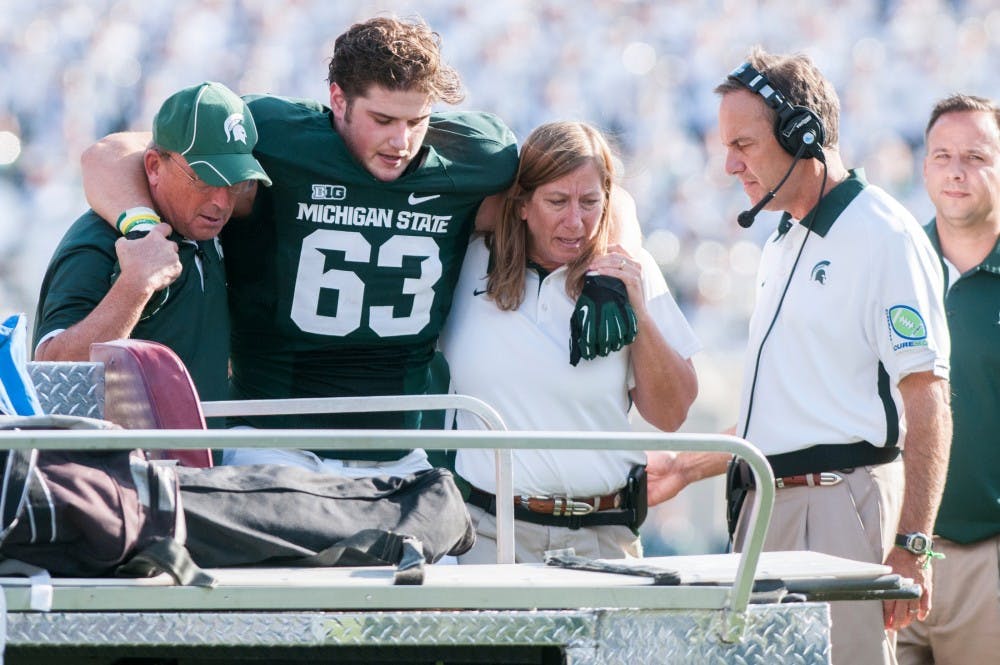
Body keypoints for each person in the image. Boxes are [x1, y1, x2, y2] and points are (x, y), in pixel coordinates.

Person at [645, 48, 952, 665]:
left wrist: (913, 543)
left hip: (837, 508)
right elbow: (793, 414)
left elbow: (927, 399)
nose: (729, 163)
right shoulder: (785, 238)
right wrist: (687, 467)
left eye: (745, 144)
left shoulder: (884, 235)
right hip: (768, 506)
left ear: (802, 133)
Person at [440, 121, 699, 563]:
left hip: (603, 534)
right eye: (557, 201)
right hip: (488, 533)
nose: (575, 221)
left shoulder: (630, 268)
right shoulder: (467, 259)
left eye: (590, 203)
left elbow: (671, 414)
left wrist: (635, 308)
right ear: (521, 204)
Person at [34, 81, 271, 404]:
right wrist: (134, 286)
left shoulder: (205, 226)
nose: (221, 201)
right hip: (118, 454)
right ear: (154, 167)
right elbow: (49, 374)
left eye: (234, 181)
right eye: (204, 179)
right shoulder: (97, 242)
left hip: (202, 452)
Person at [896, 95, 1000, 665]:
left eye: (976, 156)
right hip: (890, 555)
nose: (956, 170)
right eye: (942, 155)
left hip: (988, 559)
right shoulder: (893, 265)